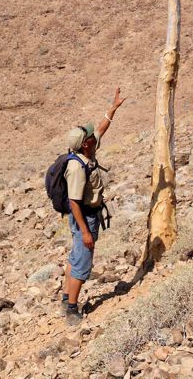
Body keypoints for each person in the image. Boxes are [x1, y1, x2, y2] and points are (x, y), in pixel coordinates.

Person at [62, 87, 125, 325]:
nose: (94, 136)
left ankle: (66, 297)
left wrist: (113, 108)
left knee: (75, 257)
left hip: (86, 217)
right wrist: (86, 231)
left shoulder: (85, 153)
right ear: (86, 144)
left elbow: (100, 129)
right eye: (91, 137)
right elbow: (74, 202)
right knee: (82, 262)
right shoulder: (78, 168)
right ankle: (71, 310)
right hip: (84, 217)